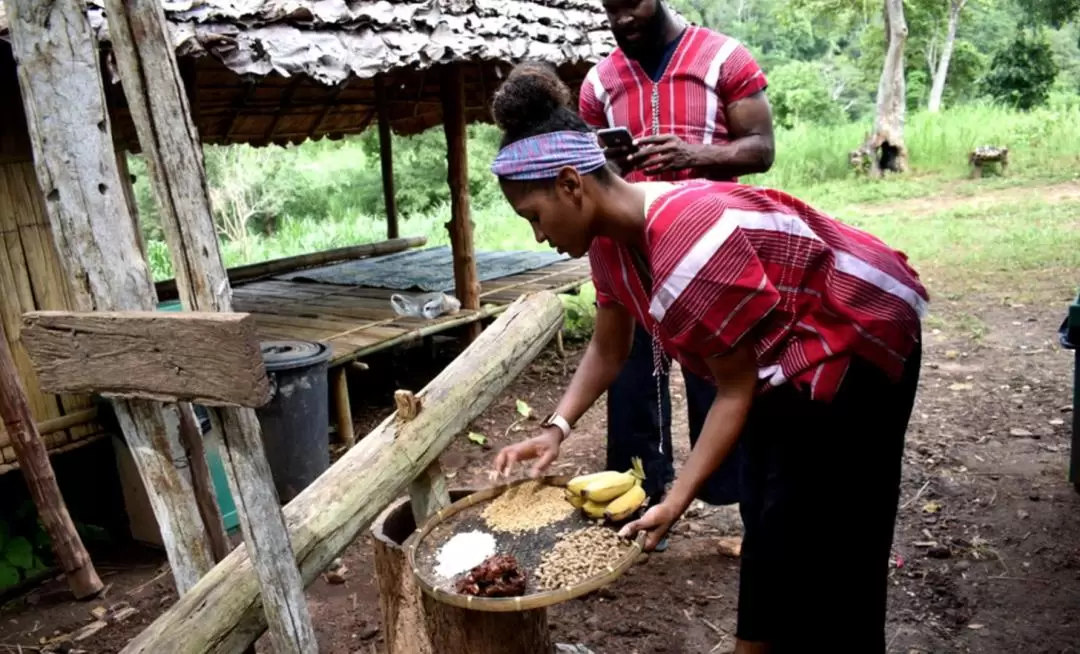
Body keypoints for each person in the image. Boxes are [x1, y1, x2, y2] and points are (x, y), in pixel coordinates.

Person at [488, 67, 927, 652]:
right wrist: (557, 428)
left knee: (841, 527)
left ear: (572, 184)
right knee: (771, 504)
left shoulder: (691, 245)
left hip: (857, 336)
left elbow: (736, 391)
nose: (539, 236)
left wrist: (675, 499)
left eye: (534, 217)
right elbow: (609, 346)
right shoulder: (610, 245)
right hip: (783, 355)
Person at [578, 0, 777, 529]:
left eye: (632, 3)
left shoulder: (724, 58)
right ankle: (634, 502)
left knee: (720, 378)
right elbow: (591, 170)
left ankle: (733, 500)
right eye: (610, 7)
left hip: (710, 259)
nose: (621, 18)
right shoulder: (599, 82)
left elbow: (761, 149)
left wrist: (695, 155)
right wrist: (609, 165)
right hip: (631, 256)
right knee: (631, 387)